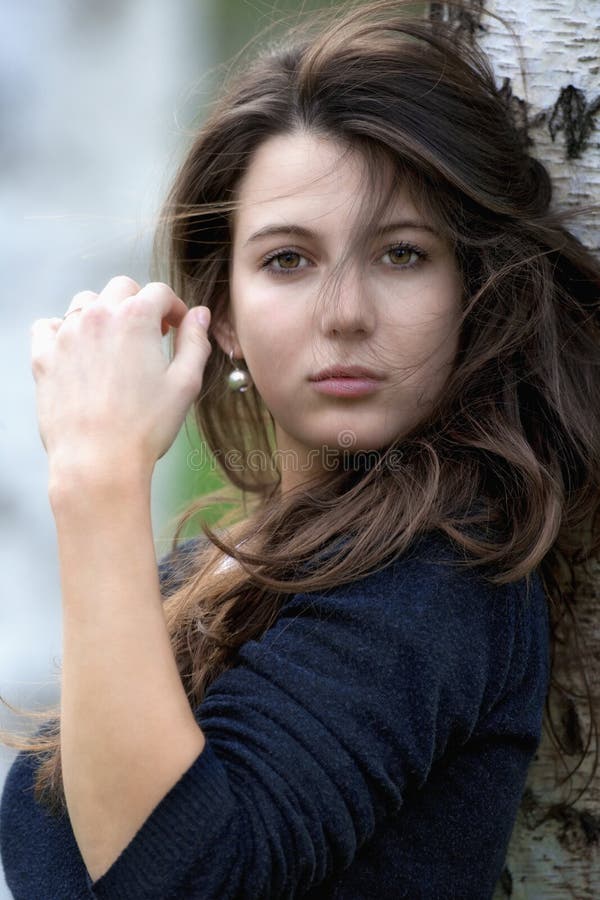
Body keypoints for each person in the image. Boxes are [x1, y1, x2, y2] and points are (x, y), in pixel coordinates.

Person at [1, 1, 599, 897]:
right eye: (288, 259)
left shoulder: (444, 569)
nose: (345, 312)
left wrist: (98, 478)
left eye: (401, 254)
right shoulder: (207, 575)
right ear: (225, 313)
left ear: (470, 291)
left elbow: (178, 878)